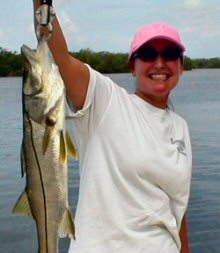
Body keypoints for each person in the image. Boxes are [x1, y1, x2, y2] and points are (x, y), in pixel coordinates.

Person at [33, 1, 192, 252]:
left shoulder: (180, 126)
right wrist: (42, 5)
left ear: (181, 67)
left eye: (170, 55)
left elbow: (178, 208)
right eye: (149, 55)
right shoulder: (105, 101)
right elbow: (60, 57)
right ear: (132, 66)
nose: (160, 63)